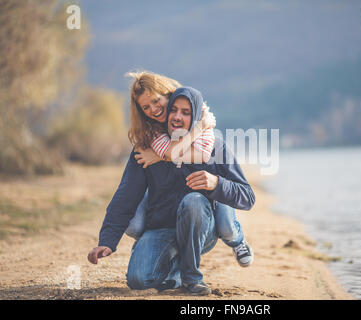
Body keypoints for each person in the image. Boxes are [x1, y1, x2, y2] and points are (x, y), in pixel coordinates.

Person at [88, 86, 255, 295]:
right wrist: (107, 241)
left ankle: (191, 277)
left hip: (202, 230)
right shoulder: (147, 149)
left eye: (185, 113)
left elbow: (247, 197)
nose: (177, 117)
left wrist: (216, 183)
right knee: (139, 280)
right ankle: (171, 266)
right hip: (160, 227)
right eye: (174, 110)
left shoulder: (214, 147)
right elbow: (126, 195)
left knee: (194, 201)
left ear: (196, 116)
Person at [123, 71, 253, 267]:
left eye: (157, 101)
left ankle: (237, 241)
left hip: (206, 202)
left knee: (226, 226)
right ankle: (150, 248)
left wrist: (216, 182)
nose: (154, 110)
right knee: (134, 226)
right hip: (168, 215)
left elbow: (201, 155)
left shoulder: (209, 134)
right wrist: (161, 154)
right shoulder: (151, 135)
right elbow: (169, 152)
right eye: (146, 107)